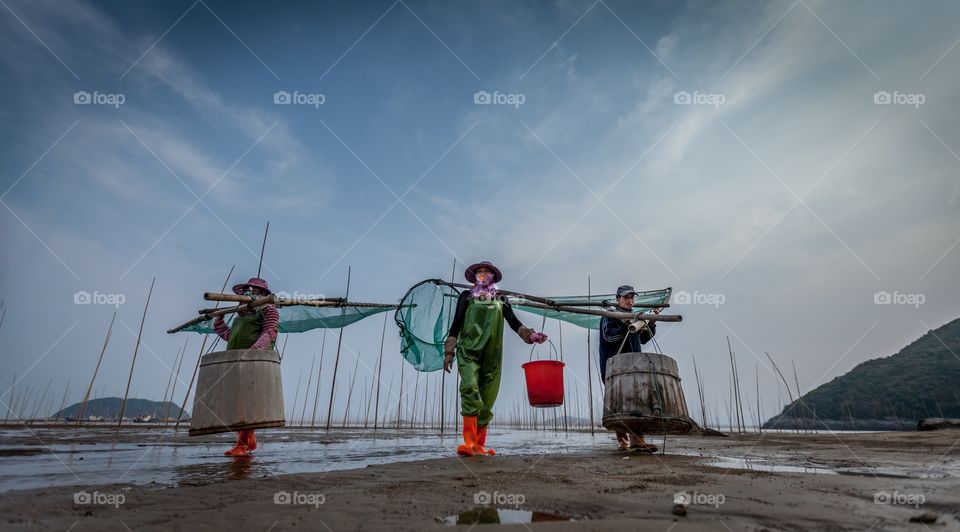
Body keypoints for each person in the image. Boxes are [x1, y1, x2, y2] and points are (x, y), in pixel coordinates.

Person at [443, 261, 547, 456]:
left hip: (493, 355)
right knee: (469, 388)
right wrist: (449, 351)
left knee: (487, 398)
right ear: (475, 277)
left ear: (492, 276)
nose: (482, 274)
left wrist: (531, 336)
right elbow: (456, 324)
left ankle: (479, 446)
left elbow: (514, 322)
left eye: (486, 272)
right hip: (468, 352)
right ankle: (469, 443)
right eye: (479, 272)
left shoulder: (501, 298)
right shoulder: (466, 297)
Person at [212, 277, 280, 457]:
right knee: (238, 401)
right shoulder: (241, 316)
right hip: (235, 360)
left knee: (250, 402)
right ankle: (249, 440)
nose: (250, 293)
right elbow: (229, 335)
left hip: (257, 361)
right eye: (247, 291)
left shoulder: (268, 310)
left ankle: (242, 445)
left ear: (264, 294)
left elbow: (270, 332)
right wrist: (219, 320)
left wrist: (252, 352)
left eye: (255, 291)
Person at [599, 284, 658, 453]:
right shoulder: (609, 316)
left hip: (634, 367)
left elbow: (644, 339)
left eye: (632, 297)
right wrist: (625, 326)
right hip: (614, 367)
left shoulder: (635, 317)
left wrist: (651, 324)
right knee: (619, 403)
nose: (629, 300)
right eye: (625, 297)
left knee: (635, 402)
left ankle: (637, 441)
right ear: (618, 299)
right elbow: (609, 337)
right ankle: (623, 442)